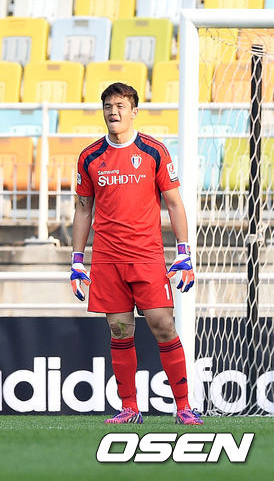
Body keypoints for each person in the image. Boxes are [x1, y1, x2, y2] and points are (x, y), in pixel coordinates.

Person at [69, 82, 202, 425]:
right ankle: (129, 408)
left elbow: (174, 203)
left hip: (146, 257)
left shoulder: (154, 151)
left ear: (134, 112)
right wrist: (77, 259)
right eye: (108, 106)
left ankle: (183, 406)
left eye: (120, 106)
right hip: (107, 259)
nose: (113, 112)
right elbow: (83, 209)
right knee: (120, 330)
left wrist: (184, 252)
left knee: (163, 325)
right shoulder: (90, 157)